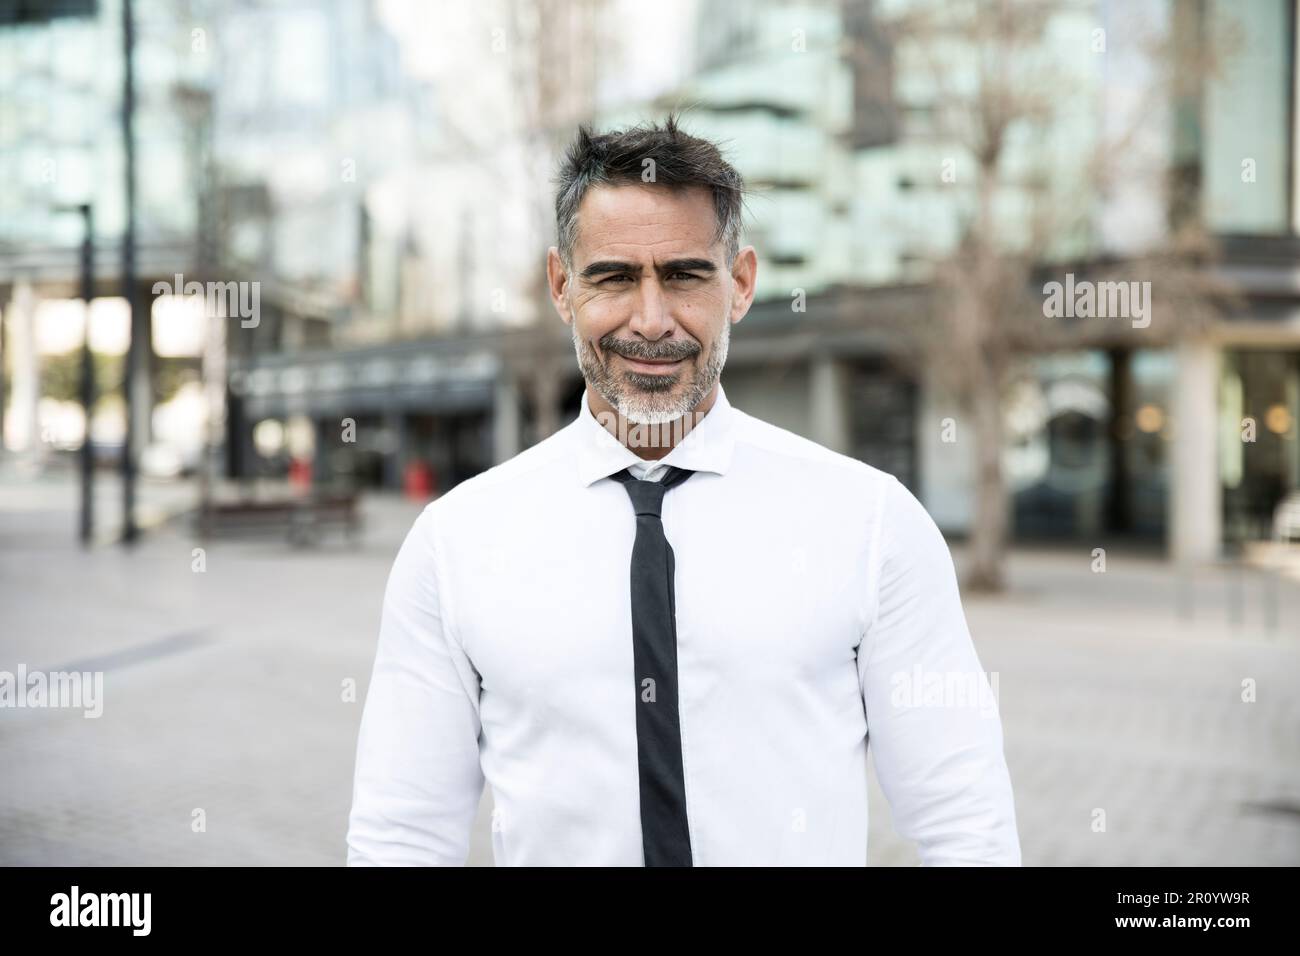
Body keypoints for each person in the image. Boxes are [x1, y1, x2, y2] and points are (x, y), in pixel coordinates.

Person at [346, 116, 1020, 866]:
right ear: (562, 287)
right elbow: (401, 835)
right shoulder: (455, 544)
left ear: (740, 284)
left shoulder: (871, 523)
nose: (653, 319)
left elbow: (965, 821)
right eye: (613, 277)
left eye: (684, 275)